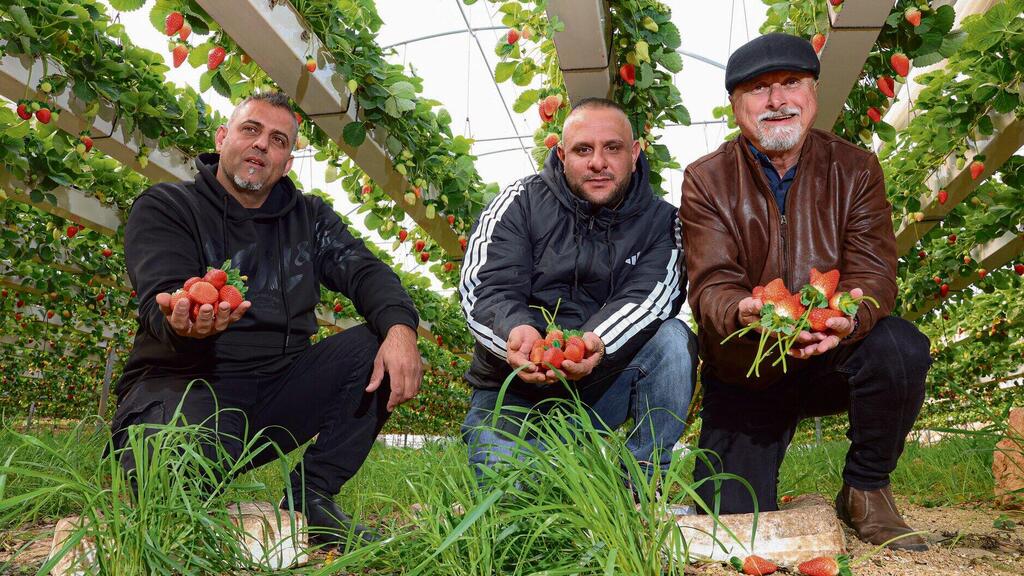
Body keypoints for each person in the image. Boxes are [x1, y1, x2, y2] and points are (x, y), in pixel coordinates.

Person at [110, 91, 423, 546]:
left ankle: (312, 497)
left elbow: (365, 271)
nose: (261, 144)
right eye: (250, 129)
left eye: (278, 140)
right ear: (222, 138)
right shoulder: (168, 206)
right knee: (167, 497)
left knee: (379, 341)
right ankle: (177, 471)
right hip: (186, 381)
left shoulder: (310, 218)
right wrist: (185, 323)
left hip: (278, 389)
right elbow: (162, 295)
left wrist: (401, 330)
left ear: (287, 163)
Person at [680, 33, 932, 551]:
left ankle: (866, 487)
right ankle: (746, 466)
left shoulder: (855, 168)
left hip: (831, 358)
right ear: (736, 105)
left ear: (812, 92)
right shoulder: (706, 180)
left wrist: (846, 317)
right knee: (733, 529)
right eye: (757, 89)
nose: (776, 100)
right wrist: (742, 311)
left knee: (901, 347)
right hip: (749, 370)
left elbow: (874, 272)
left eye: (790, 82)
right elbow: (710, 283)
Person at [458, 97, 697, 481]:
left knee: (673, 339)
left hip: (597, 387)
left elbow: (650, 300)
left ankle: (640, 482)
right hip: (513, 389)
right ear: (562, 153)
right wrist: (515, 337)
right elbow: (484, 287)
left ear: (634, 153)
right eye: (583, 149)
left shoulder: (662, 223)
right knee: (510, 501)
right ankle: (537, 466)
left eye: (612, 148)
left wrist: (594, 343)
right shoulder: (519, 202)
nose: (598, 162)